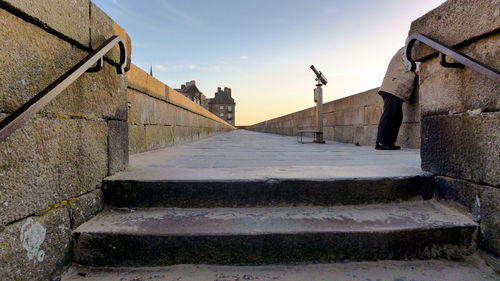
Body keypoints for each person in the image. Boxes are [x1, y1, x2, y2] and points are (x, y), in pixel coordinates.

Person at [375, 46, 420, 150]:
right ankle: (382, 142)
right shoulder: (409, 47)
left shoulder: (407, 47)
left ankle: (388, 142)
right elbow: (408, 60)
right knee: (390, 115)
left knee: (396, 117)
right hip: (394, 85)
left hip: (393, 85)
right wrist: (417, 65)